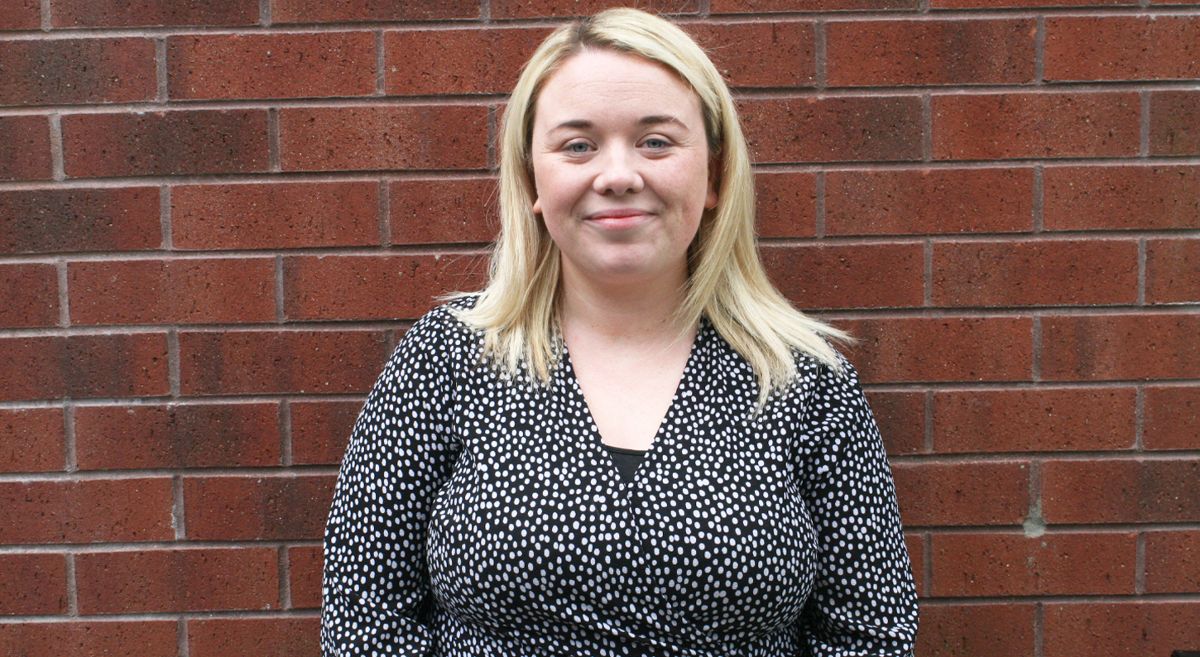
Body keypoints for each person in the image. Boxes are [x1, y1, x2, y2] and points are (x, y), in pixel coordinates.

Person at [320, 8, 918, 656]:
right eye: (578, 144)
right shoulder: (446, 358)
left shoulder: (802, 379)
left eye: (656, 140)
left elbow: (870, 632)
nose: (617, 174)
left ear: (714, 174)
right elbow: (364, 620)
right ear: (531, 182)